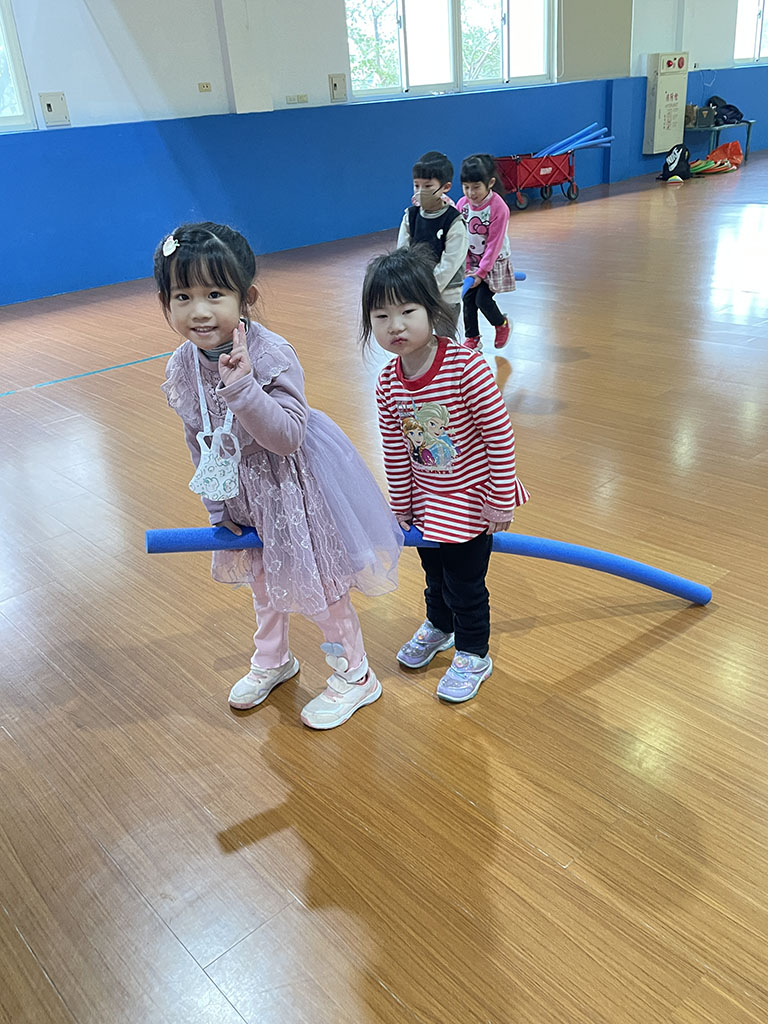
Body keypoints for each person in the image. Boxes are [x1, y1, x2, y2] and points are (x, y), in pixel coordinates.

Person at [155, 222, 402, 729]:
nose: (199, 311)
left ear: (246, 297)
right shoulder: (183, 364)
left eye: (214, 294)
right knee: (264, 583)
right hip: (244, 493)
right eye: (183, 296)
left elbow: (287, 436)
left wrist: (243, 389)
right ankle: (273, 660)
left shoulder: (270, 354)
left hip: (292, 486)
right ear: (166, 303)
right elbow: (199, 439)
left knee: (319, 584)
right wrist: (218, 506)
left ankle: (357, 675)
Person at [362, 247, 529, 703]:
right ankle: (440, 626)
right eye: (381, 317)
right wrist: (401, 505)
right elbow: (396, 450)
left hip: (471, 500)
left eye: (407, 311)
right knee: (434, 574)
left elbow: (500, 436)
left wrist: (500, 498)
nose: (395, 326)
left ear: (432, 309)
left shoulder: (465, 367)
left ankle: (474, 652)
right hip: (427, 502)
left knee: (465, 582)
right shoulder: (388, 383)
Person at [397, 151, 468, 323]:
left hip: (446, 296)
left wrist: (427, 289)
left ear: (446, 187)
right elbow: (402, 253)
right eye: (416, 185)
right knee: (418, 336)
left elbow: (450, 263)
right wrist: (409, 285)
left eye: (428, 186)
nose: (420, 191)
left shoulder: (454, 221)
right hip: (416, 293)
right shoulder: (410, 216)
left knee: (444, 337)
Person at [456, 153, 516, 351]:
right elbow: (461, 238)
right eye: (466, 187)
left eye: (476, 187)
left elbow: (494, 244)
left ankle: (502, 324)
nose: (470, 193)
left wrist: (481, 273)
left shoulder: (498, 208)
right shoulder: (462, 205)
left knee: (482, 299)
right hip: (473, 261)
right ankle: (472, 338)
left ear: (490, 183)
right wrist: (467, 268)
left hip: (493, 261)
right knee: (468, 298)